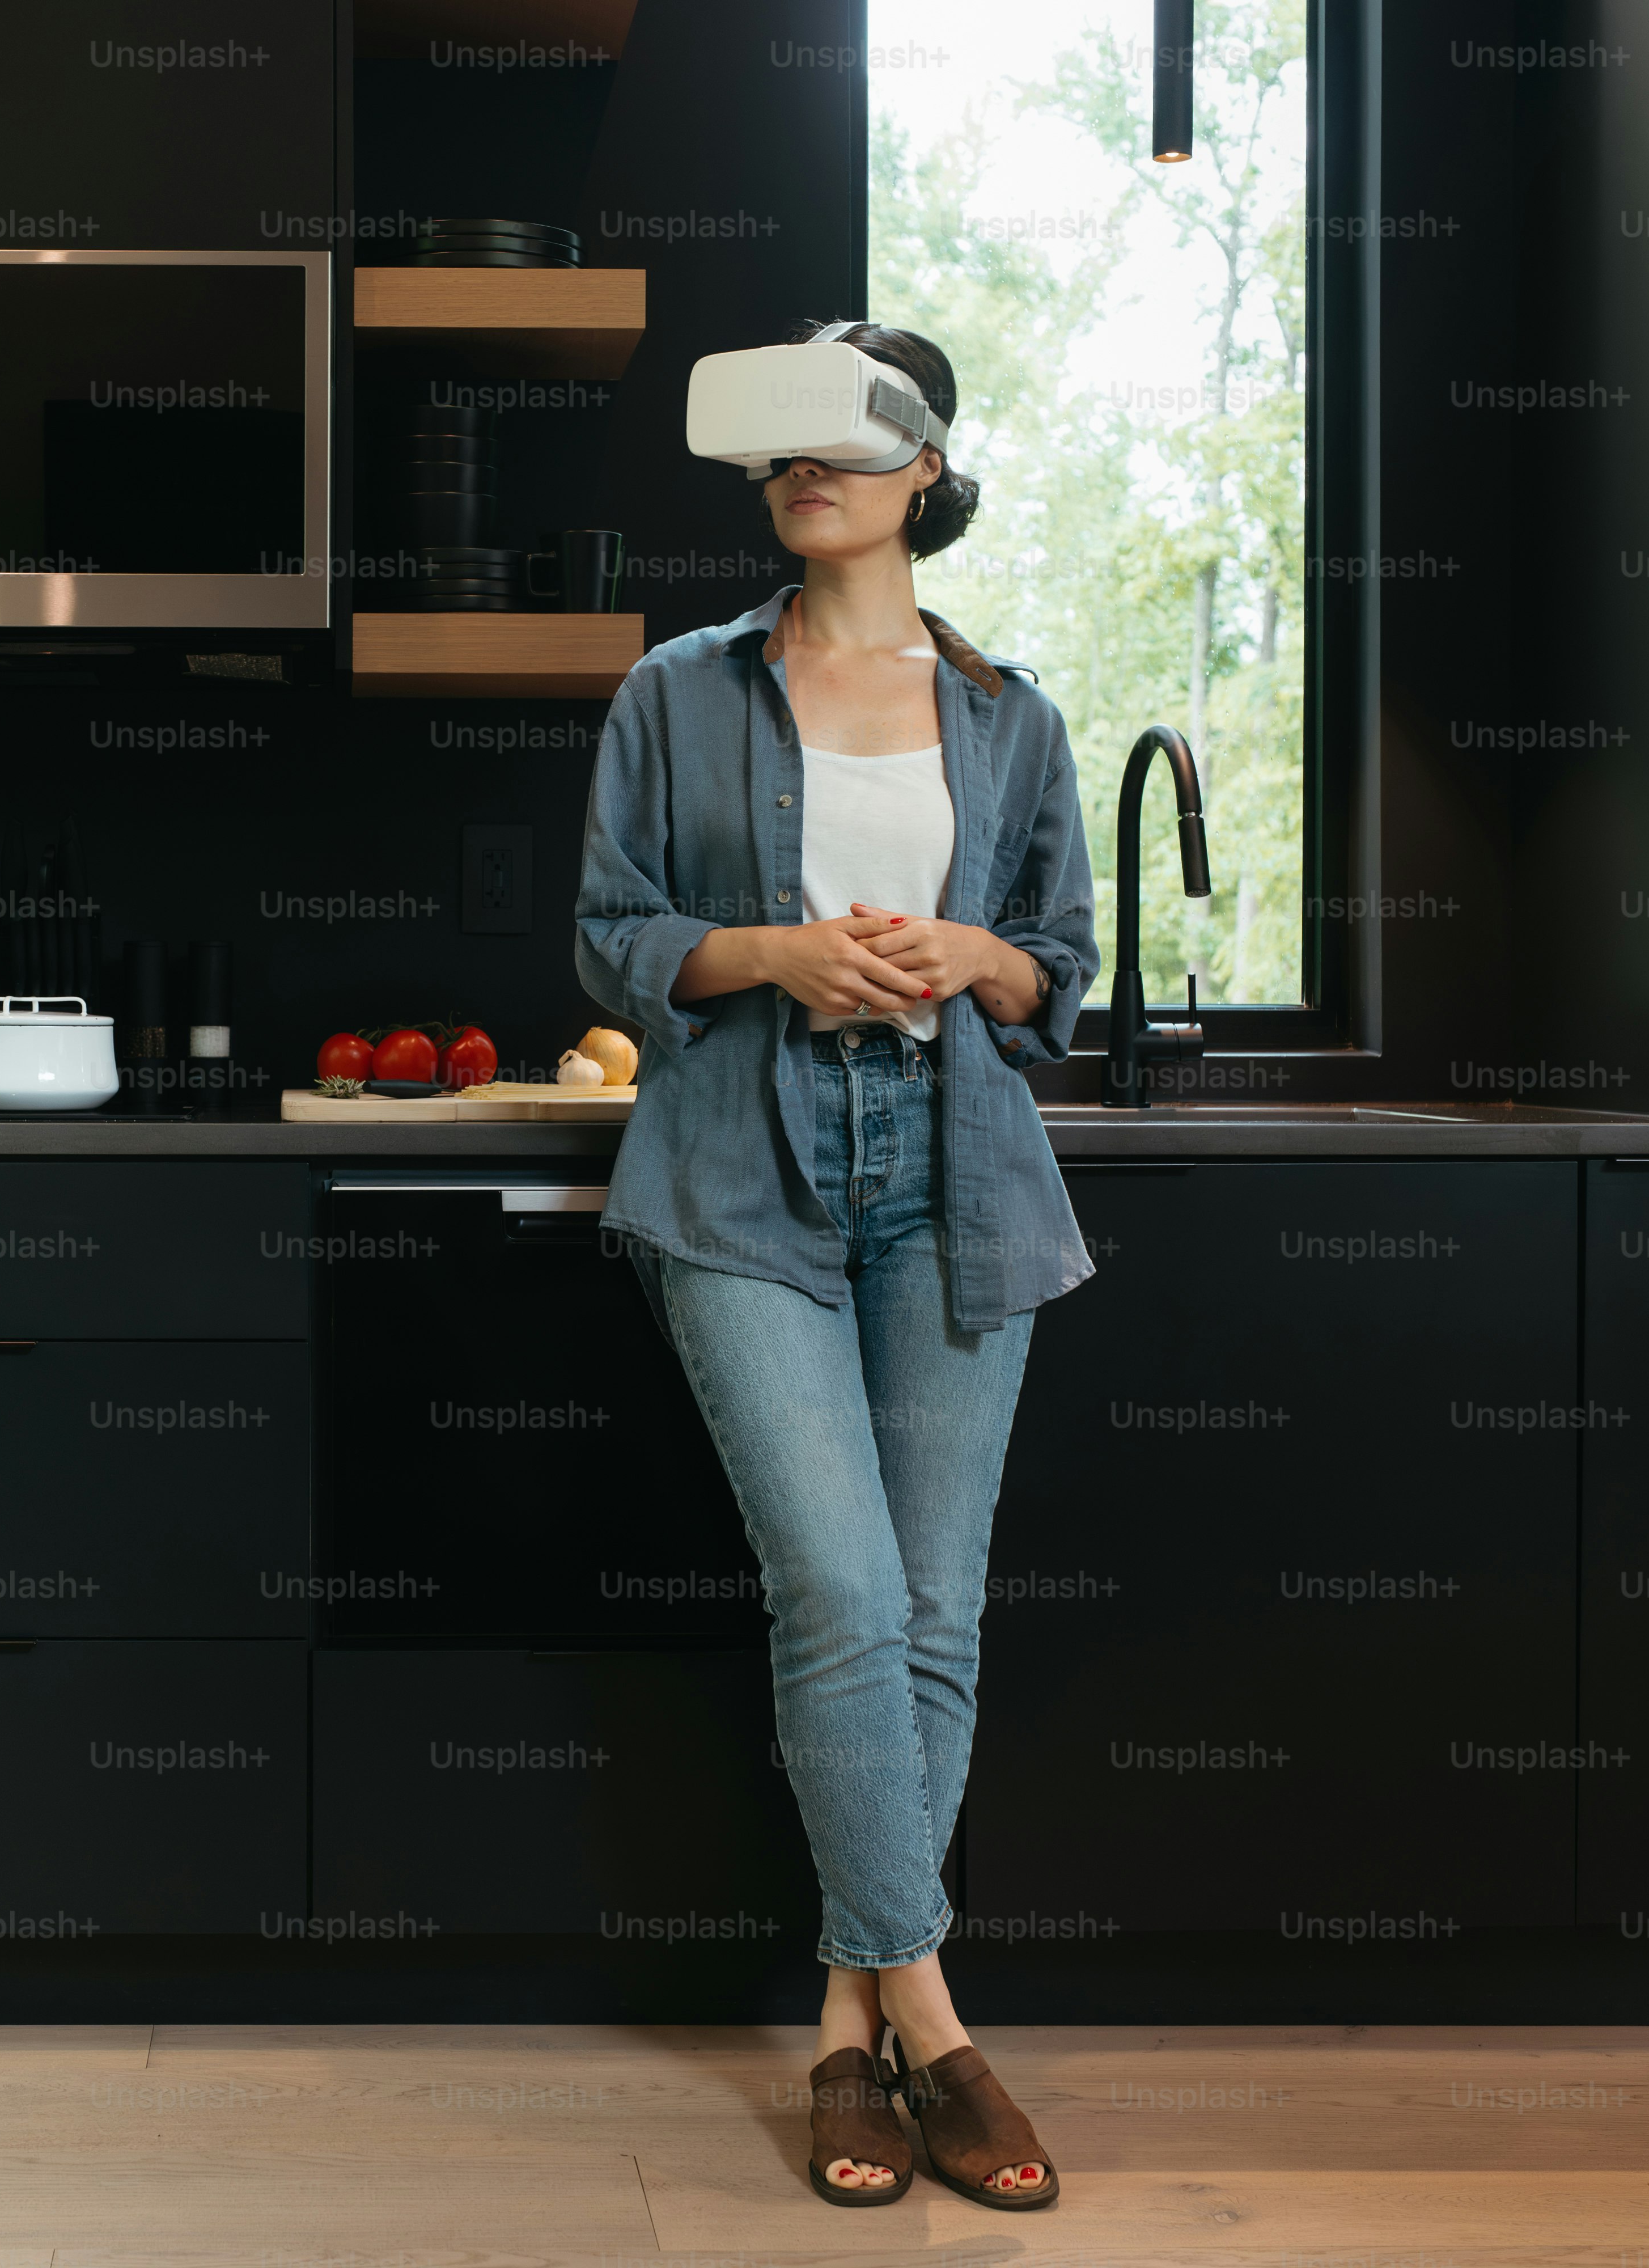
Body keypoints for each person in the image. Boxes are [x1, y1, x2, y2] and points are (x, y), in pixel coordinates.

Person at [574, 320, 1097, 2210]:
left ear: (925, 474)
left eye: (845, 440)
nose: (805, 469)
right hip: (740, 1175)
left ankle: (839, 2029)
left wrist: (977, 960)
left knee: (934, 1618)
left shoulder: (1015, 712)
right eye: (775, 447)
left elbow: (1058, 971)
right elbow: (614, 934)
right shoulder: (678, 691)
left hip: (955, 1172)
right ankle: (940, 2028)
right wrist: (776, 956)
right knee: (843, 1593)